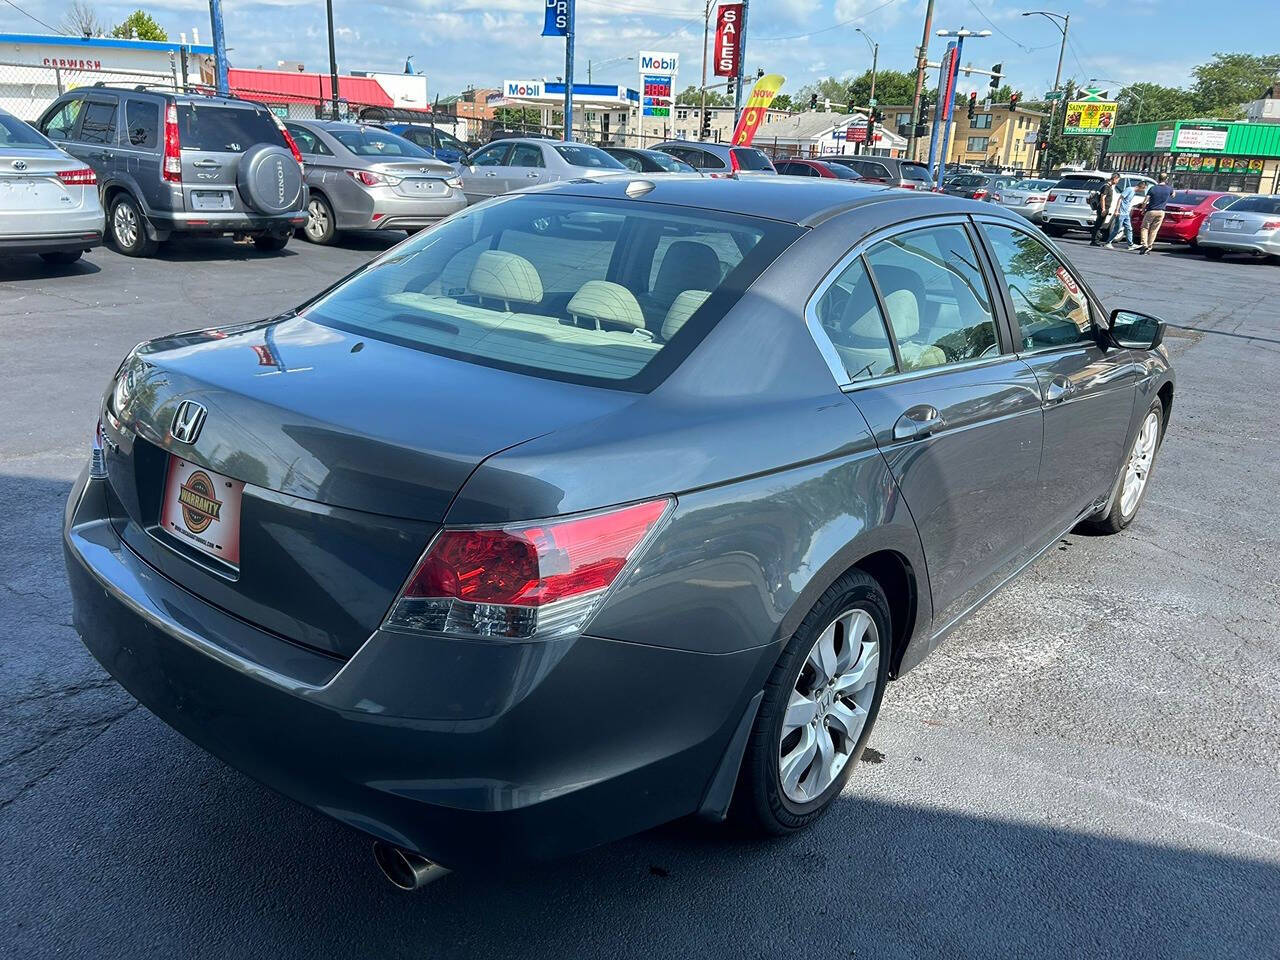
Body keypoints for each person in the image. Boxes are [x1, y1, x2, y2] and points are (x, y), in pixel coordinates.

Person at [1140, 173, 1174, 255]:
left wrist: (1143, 209)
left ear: (1158, 179)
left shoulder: (1153, 188)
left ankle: (1144, 245)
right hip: (1161, 212)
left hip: (1151, 211)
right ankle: (1149, 246)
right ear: (1166, 179)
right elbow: (1173, 195)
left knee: (1144, 227)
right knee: (1154, 230)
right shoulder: (1169, 189)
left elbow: (1146, 200)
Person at [1090, 173, 1120, 246]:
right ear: (1114, 178)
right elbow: (1102, 198)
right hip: (1103, 208)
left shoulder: (1109, 187)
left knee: (1100, 224)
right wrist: (1103, 209)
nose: (1118, 181)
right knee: (1098, 224)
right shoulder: (1106, 187)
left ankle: (1095, 240)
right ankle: (1094, 241)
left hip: (1106, 208)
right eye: (1118, 180)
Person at [1107, 178, 1136, 248]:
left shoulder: (1134, 192)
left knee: (1129, 228)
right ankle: (1108, 242)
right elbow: (1120, 198)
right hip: (1121, 212)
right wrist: (1117, 210)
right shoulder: (1129, 189)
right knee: (1117, 228)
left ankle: (1130, 244)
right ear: (1143, 187)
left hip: (1126, 213)